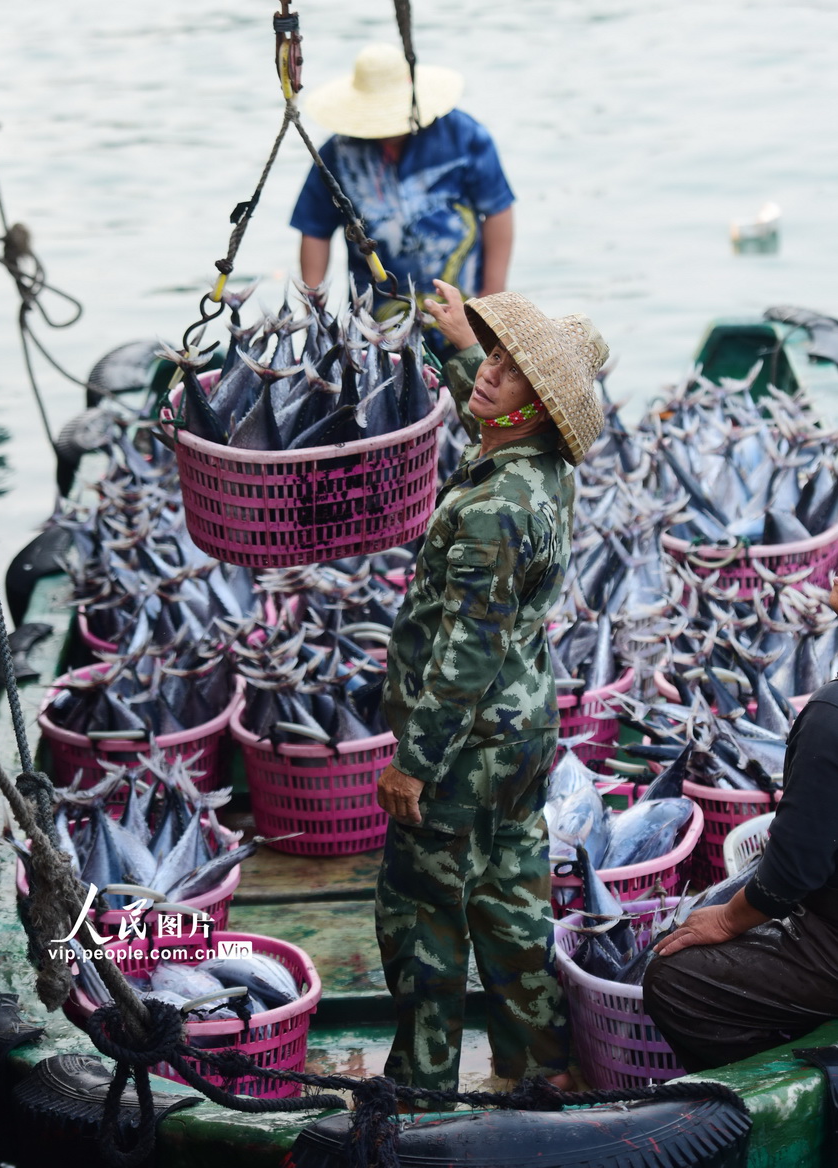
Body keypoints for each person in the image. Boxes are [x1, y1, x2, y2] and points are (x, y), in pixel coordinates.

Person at [374, 279, 608, 1103]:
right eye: (494, 359)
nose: (490, 375)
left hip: (465, 745)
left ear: (536, 406)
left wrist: (413, 762)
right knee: (512, 895)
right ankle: (538, 1060)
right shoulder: (543, 471)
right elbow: (502, 403)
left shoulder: (494, 510)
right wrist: (458, 346)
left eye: (509, 370)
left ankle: (422, 1085)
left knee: (424, 910)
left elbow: (464, 654)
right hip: (524, 731)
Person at [644, 571, 838, 1074]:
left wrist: (730, 919)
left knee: (671, 978)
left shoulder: (830, 716)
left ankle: (779, 1089)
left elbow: (792, 875)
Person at [289, 43, 515, 357]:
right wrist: (314, 314)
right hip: (376, 322)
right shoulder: (337, 155)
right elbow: (314, 231)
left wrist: (492, 299)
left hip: (464, 312)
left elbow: (498, 211)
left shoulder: (464, 136)